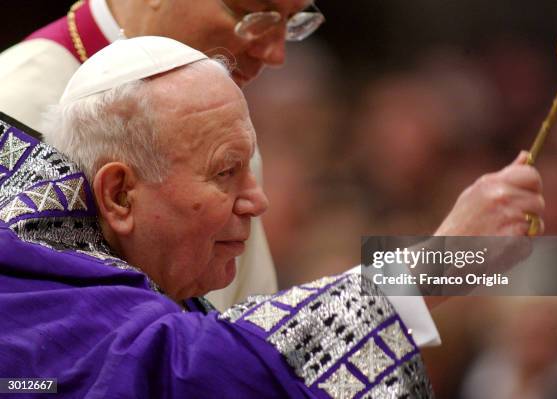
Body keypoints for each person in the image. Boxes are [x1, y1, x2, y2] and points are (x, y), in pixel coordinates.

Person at [0, 36, 544, 397]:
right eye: (225, 172)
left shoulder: (127, 278)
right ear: (119, 195)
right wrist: (445, 263)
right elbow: (195, 371)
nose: (257, 202)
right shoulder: (32, 297)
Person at [0, 0, 322, 309]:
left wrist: (373, 274)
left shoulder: (223, 126)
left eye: (291, 21)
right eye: (251, 13)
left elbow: (250, 332)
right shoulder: (12, 104)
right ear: (118, 192)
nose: (276, 53)